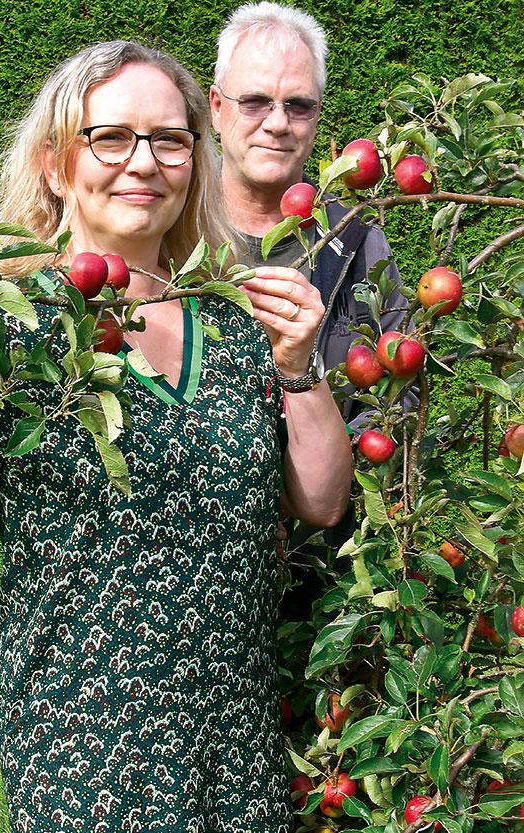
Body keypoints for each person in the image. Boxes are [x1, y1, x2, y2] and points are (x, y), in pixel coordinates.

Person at [0, 40, 352, 832]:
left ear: (194, 157)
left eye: (170, 139)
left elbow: (319, 500)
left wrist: (297, 364)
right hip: (86, 757)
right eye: (110, 136)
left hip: (237, 748)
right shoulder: (14, 329)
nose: (143, 162)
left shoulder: (233, 319)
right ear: (55, 163)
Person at [210, 2, 412, 619]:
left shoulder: (355, 241)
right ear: (217, 108)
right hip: (199, 576)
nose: (277, 123)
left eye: (297, 105)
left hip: (326, 580)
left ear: (317, 117)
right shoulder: (174, 234)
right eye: (255, 102)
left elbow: (397, 398)